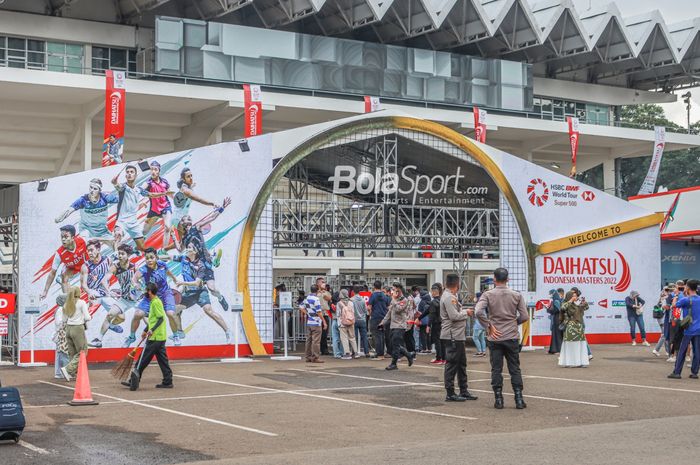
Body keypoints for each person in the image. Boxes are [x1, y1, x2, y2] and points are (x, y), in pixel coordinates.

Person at [475, 267, 528, 410]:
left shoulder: (487, 294)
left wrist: (488, 325)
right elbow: (524, 316)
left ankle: (498, 399)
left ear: (494, 279)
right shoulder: (516, 295)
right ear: (508, 279)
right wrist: (512, 323)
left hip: (495, 337)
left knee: (496, 369)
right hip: (511, 336)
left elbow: (478, 311)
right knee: (515, 368)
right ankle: (519, 399)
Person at [177, 201, 232, 311]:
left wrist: (221, 208)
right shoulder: (184, 239)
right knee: (186, 287)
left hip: (204, 261)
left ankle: (220, 298)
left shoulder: (196, 227)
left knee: (212, 289)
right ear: (182, 223)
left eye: (189, 219)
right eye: (185, 219)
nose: (187, 220)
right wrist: (174, 237)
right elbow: (179, 250)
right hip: (194, 266)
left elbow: (211, 218)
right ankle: (214, 260)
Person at [173, 243, 232, 343]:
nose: (187, 249)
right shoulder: (183, 259)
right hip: (188, 294)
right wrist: (158, 255)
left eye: (189, 248)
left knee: (209, 311)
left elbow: (197, 283)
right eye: (187, 247)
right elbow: (168, 257)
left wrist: (182, 283)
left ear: (195, 252)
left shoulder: (201, 266)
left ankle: (227, 331)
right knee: (174, 310)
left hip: (200, 292)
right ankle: (180, 332)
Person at [124, 247, 179, 347]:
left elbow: (168, 272)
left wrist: (175, 279)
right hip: (151, 295)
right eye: (147, 258)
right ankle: (132, 337)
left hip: (165, 293)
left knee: (171, 314)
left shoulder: (162, 265)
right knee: (137, 314)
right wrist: (135, 284)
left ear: (156, 257)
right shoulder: (144, 269)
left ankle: (176, 336)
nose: (149, 260)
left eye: (151, 257)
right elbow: (134, 278)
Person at [123, 283, 174, 391]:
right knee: (162, 360)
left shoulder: (156, 303)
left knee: (142, 359)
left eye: (146, 291)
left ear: (150, 292)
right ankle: (167, 381)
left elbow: (161, 319)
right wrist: (145, 330)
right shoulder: (153, 302)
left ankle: (133, 381)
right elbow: (153, 320)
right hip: (159, 337)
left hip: (155, 337)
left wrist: (151, 330)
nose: (145, 292)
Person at [112, 164, 171, 252]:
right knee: (118, 235)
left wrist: (163, 193)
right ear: (125, 175)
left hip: (133, 223)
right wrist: (114, 182)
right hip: (122, 222)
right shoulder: (123, 187)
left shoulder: (138, 190)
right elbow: (117, 186)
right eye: (127, 172)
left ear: (136, 175)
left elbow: (151, 195)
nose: (129, 174)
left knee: (142, 248)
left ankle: (132, 252)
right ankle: (116, 257)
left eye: (132, 172)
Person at [89, 244, 138, 348]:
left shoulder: (134, 267)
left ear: (128, 255)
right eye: (119, 253)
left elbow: (141, 281)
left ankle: (131, 338)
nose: (120, 256)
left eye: (122, 254)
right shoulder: (115, 267)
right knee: (110, 315)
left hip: (137, 299)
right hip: (125, 299)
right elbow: (104, 280)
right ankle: (99, 340)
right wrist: (108, 291)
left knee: (145, 319)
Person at [440, 274, 478, 402]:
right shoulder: (448, 297)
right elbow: (454, 316)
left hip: (457, 335)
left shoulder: (451, 296)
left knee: (461, 364)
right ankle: (450, 393)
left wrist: (464, 311)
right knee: (452, 364)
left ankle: (463, 390)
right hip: (452, 335)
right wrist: (466, 313)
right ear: (457, 285)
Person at [40, 225, 87, 300]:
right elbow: (52, 273)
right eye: (62, 237)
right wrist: (45, 291)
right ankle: (68, 300)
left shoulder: (82, 240)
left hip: (84, 265)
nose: (63, 239)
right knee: (64, 277)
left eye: (66, 237)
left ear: (72, 237)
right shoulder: (59, 253)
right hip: (72, 268)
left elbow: (95, 241)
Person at [668, 279, 700, 379]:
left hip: (688, 330)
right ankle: (694, 373)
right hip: (698, 329)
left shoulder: (685, 299)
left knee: (682, 350)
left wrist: (676, 295)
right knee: (697, 351)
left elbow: (673, 306)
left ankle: (677, 372)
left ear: (688, 288)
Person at [380, 283, 415, 371]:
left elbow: (399, 309)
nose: (393, 292)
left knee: (395, 345)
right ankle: (409, 354)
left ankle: (394, 363)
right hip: (393, 325)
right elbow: (390, 312)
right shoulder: (394, 300)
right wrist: (383, 322)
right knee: (394, 344)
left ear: (399, 290)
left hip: (400, 326)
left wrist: (394, 299)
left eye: (395, 290)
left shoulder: (404, 300)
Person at [60, 286, 91, 382]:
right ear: (78, 293)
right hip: (78, 328)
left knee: (72, 353)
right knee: (83, 351)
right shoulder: (81, 303)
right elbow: (87, 317)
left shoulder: (66, 304)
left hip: (68, 328)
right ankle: (68, 369)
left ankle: (72, 373)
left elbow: (64, 319)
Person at [141, 161, 174, 249]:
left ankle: (164, 250)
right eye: (151, 169)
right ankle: (140, 244)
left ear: (159, 171)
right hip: (154, 210)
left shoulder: (165, 182)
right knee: (144, 232)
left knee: (167, 227)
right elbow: (142, 189)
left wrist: (177, 200)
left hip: (166, 207)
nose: (153, 171)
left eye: (155, 169)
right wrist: (143, 200)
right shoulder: (148, 183)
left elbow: (169, 193)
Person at [559, 290, 589, 368]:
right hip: (570, 327)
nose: (575, 297)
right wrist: (570, 301)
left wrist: (584, 303)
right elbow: (562, 308)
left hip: (579, 326)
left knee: (580, 344)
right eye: (573, 296)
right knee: (570, 345)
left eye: (575, 296)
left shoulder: (578, 304)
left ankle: (581, 362)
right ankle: (569, 362)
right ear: (569, 297)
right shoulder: (566, 303)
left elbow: (586, 307)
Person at [301, 284, 326, 363]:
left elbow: (301, 307)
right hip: (316, 321)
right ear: (317, 290)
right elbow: (319, 312)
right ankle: (315, 357)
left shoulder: (307, 298)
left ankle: (308, 356)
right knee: (316, 341)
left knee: (308, 340)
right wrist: (324, 321)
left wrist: (307, 313)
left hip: (309, 321)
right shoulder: (316, 299)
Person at [368, 280, 389, 359]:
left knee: (376, 335)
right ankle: (382, 353)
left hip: (375, 317)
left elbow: (369, 307)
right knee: (381, 335)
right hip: (383, 318)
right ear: (381, 286)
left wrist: (370, 314)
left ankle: (379, 353)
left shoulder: (373, 295)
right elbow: (388, 307)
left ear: (374, 287)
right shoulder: (384, 296)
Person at [314, 277, 334, 357]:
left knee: (325, 333)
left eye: (324, 282)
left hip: (325, 314)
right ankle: (316, 350)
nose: (324, 283)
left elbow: (328, 298)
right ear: (318, 283)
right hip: (317, 314)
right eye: (322, 282)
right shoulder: (315, 293)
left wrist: (323, 291)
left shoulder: (326, 292)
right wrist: (319, 292)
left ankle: (324, 350)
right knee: (317, 334)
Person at [337, 289, 358, 359]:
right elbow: (353, 312)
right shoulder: (351, 302)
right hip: (351, 322)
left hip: (343, 323)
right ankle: (355, 353)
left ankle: (347, 353)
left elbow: (338, 314)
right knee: (352, 337)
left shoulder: (339, 303)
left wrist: (339, 323)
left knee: (344, 338)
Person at [426, 283, 445, 364]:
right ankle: (444, 359)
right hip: (443, 323)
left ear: (434, 292)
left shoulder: (433, 302)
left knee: (437, 342)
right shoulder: (442, 300)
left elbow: (431, 315)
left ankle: (438, 358)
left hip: (436, 324)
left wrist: (428, 325)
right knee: (442, 342)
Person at [53, 295, 69, 380]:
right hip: (60, 334)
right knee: (60, 354)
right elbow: (59, 322)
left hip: (61, 333)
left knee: (60, 354)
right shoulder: (60, 310)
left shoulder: (60, 309)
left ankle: (59, 372)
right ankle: (59, 372)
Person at [351, 285, 370, 357]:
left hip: (354, 320)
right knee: (364, 336)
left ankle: (354, 352)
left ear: (353, 291)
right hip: (362, 320)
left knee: (354, 337)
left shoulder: (351, 300)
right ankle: (367, 352)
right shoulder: (362, 300)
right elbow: (365, 310)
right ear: (359, 291)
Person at [653, 286, 672, 357]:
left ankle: (667, 351)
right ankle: (656, 349)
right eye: (667, 290)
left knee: (666, 335)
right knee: (664, 335)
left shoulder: (662, 298)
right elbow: (665, 309)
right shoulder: (665, 298)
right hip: (663, 320)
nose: (668, 291)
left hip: (661, 319)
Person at [547, 288, 563, 354]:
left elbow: (555, 310)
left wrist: (548, 309)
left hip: (557, 320)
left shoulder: (556, 301)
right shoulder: (556, 300)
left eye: (550, 294)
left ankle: (558, 349)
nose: (549, 295)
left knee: (557, 335)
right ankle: (553, 349)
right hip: (556, 319)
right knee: (555, 335)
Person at [417, 289, 432, 353]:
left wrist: (418, 319)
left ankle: (424, 348)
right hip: (429, 321)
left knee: (422, 335)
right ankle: (429, 348)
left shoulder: (422, 302)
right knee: (428, 334)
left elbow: (419, 312)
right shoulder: (430, 302)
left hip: (423, 321)